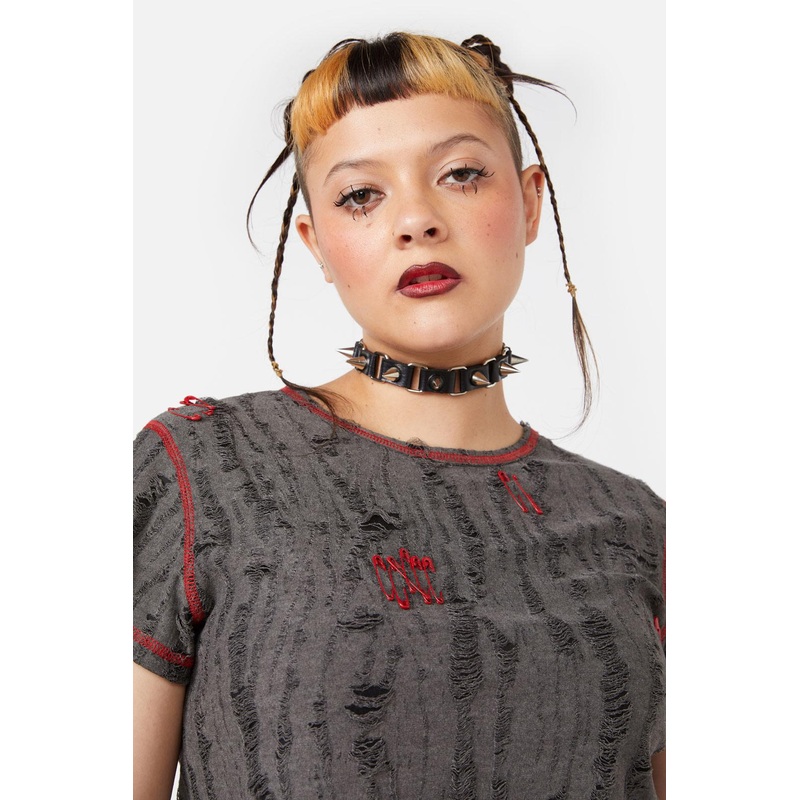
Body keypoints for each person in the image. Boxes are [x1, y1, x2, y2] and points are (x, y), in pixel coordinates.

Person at [133, 32, 665, 799]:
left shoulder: (640, 528)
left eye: (461, 174)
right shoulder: (200, 471)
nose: (416, 219)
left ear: (530, 203)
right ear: (317, 243)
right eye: (360, 195)